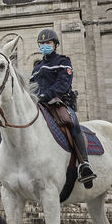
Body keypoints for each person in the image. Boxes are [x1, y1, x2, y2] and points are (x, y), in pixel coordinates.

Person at [30, 29, 96, 184]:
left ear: (55, 44)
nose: (45, 45)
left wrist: (45, 95)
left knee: (71, 120)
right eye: (42, 43)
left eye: (48, 43)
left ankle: (84, 164)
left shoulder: (63, 61)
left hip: (58, 102)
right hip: (39, 105)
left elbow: (63, 84)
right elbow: (31, 87)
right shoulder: (37, 68)